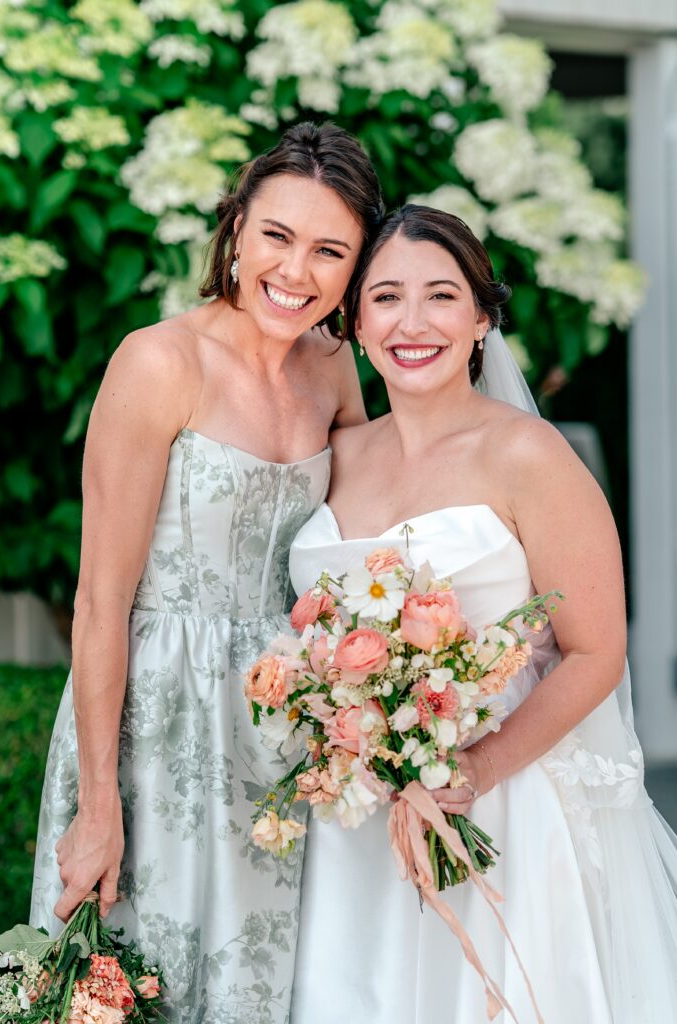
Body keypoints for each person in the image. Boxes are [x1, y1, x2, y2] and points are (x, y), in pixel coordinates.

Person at [30, 121, 384, 1022]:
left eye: (328, 250)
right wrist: (98, 804)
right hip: (156, 720)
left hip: (279, 727)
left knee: (268, 986)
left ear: (354, 270)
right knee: (137, 978)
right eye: (276, 236)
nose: (294, 271)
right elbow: (102, 600)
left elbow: (352, 554)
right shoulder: (159, 363)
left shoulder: (336, 372)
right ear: (235, 230)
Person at [288, 205, 677, 1023]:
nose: (413, 322)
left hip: (501, 801)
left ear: (479, 319)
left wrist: (472, 773)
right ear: (355, 323)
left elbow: (595, 651)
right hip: (356, 816)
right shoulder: (335, 457)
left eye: (440, 295)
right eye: (386, 298)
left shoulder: (530, 456)